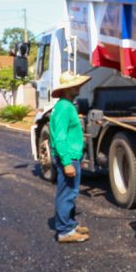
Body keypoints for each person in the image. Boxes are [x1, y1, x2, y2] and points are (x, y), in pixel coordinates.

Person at [50, 71, 91, 244]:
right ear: (68, 89)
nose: (79, 87)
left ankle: (70, 225)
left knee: (69, 193)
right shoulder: (64, 108)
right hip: (68, 157)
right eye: (76, 85)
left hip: (71, 155)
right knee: (67, 193)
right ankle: (65, 231)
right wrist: (67, 162)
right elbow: (60, 138)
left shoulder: (66, 106)